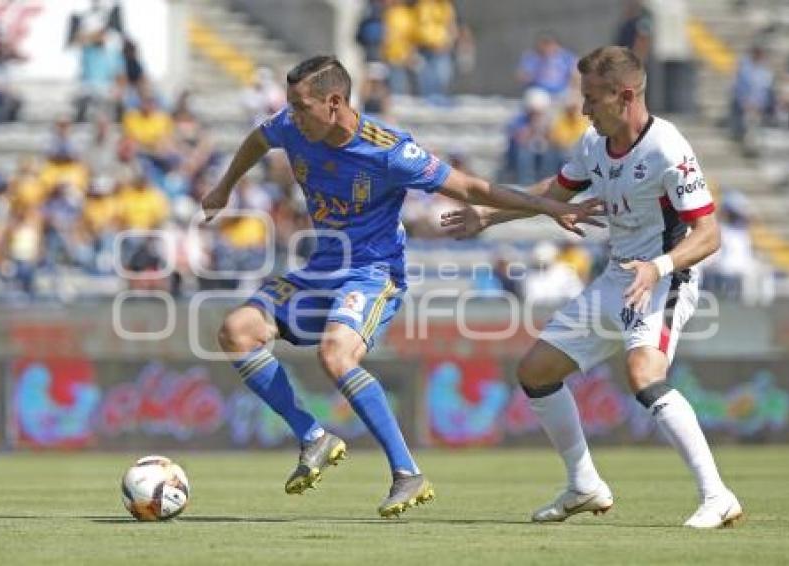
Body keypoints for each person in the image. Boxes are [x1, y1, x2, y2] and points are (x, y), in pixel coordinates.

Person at [201, 55, 601, 518]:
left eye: (301, 106)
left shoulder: (388, 150)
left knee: (335, 354)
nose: (291, 116)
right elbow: (257, 138)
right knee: (236, 330)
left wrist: (548, 208)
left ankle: (407, 474)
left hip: (372, 272)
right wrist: (226, 185)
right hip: (322, 266)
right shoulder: (292, 126)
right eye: (290, 106)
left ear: (334, 103)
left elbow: (469, 186)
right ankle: (312, 435)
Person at [441, 46, 742, 528]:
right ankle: (584, 485)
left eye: (592, 99)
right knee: (537, 371)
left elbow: (709, 235)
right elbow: (555, 194)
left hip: (665, 276)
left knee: (644, 373)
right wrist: (490, 215)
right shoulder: (593, 144)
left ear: (624, 96)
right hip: (618, 277)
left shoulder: (667, 148)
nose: (583, 109)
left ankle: (717, 495)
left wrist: (659, 266)